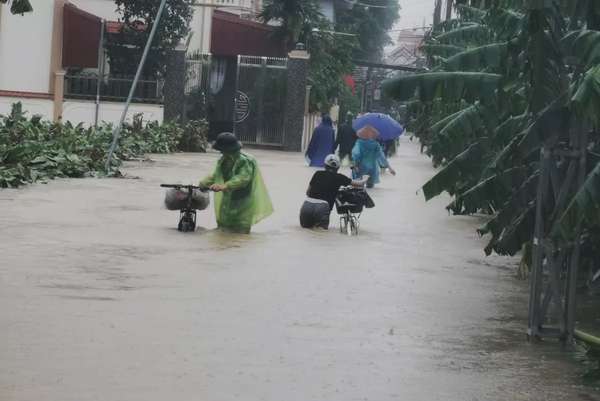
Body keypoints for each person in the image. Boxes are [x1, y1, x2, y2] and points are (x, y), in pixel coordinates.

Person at [199, 132, 273, 234]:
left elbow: (243, 178)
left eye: (222, 150)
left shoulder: (245, 161)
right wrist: (203, 184)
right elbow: (216, 175)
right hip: (228, 198)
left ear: (227, 149)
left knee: (240, 229)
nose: (220, 152)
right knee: (224, 228)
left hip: (243, 199)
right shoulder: (224, 160)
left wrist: (224, 186)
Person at [300, 154, 369, 229]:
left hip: (307, 205)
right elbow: (360, 184)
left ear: (325, 165)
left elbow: (307, 192)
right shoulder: (340, 177)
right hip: (322, 207)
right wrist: (365, 178)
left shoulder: (317, 174)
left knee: (306, 230)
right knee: (321, 233)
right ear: (338, 167)